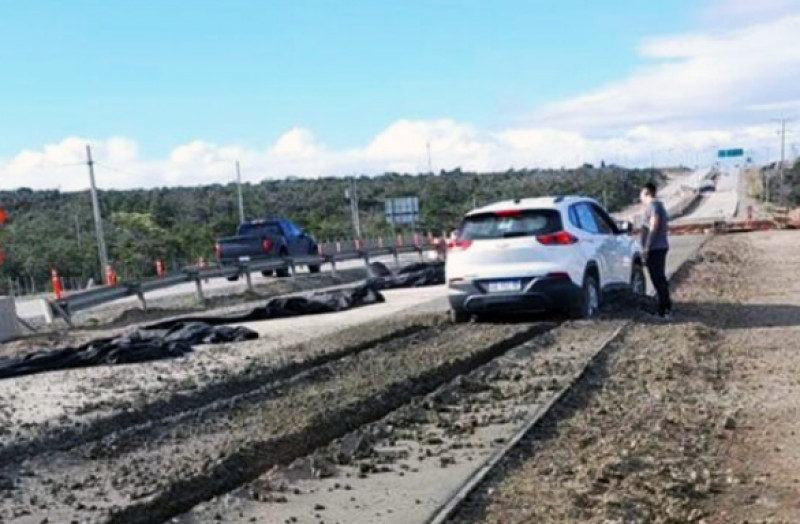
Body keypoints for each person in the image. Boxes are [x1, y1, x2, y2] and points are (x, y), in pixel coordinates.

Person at [640, 182, 672, 318]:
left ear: (647, 193)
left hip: (656, 248)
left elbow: (654, 226)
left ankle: (664, 310)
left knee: (658, 279)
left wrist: (647, 246)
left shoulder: (654, 206)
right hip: (658, 247)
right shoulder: (657, 206)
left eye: (641, 194)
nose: (640, 197)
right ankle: (664, 307)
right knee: (658, 279)